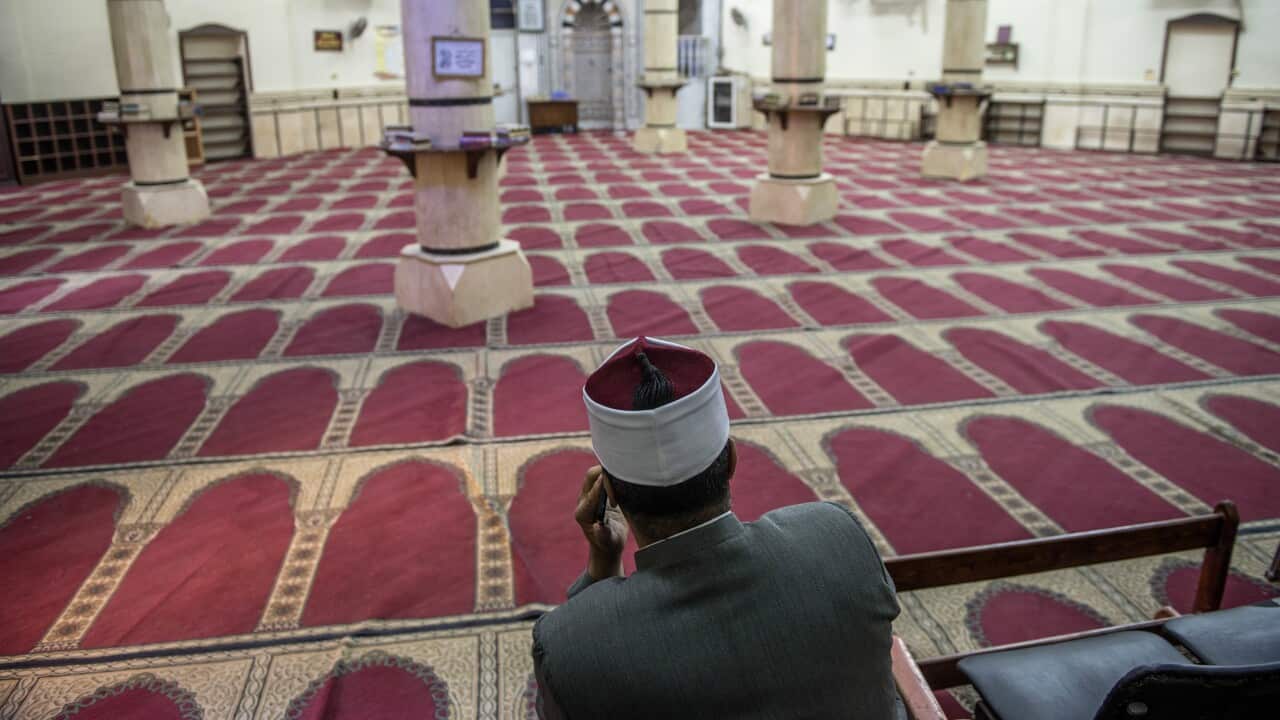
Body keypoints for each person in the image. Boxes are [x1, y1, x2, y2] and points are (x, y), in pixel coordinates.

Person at [532, 336, 901, 719]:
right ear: (731, 462)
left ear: (609, 492)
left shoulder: (569, 646)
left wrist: (603, 566)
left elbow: (584, 661)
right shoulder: (837, 538)